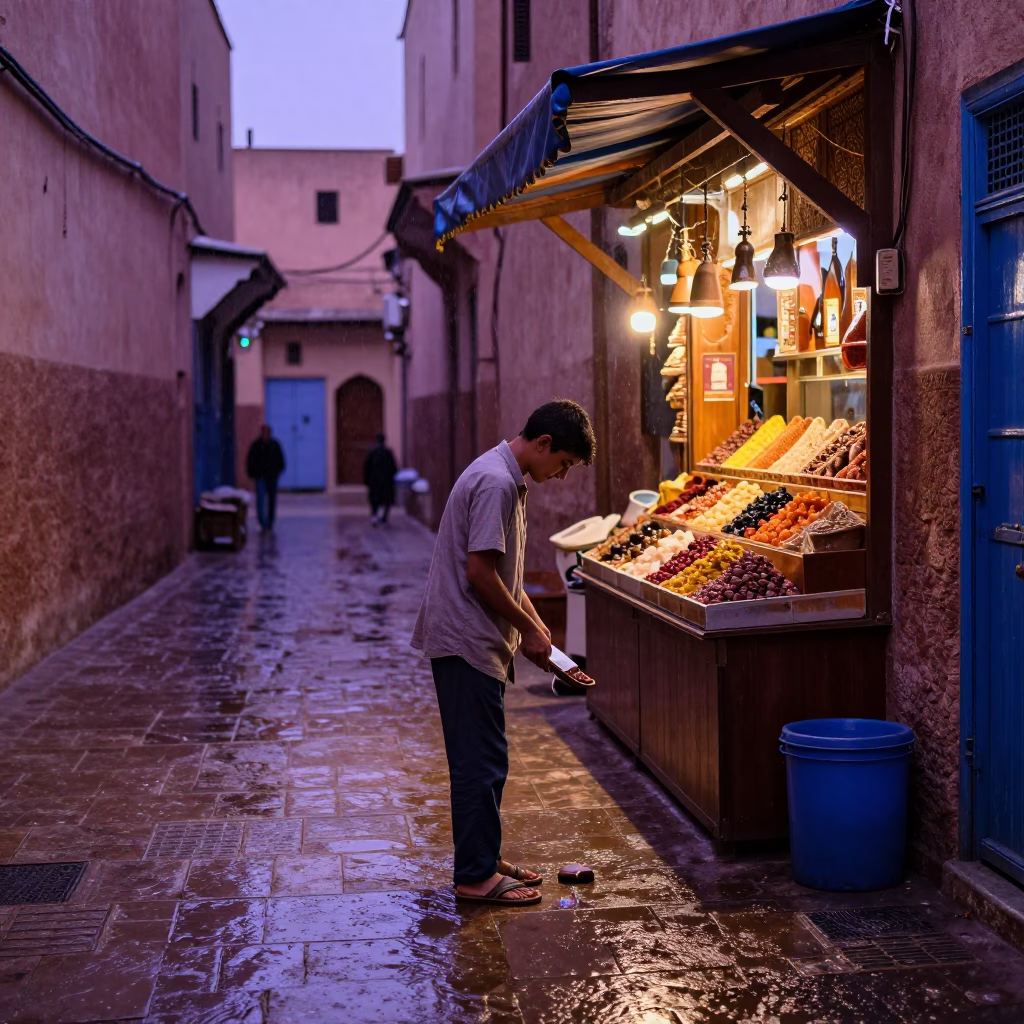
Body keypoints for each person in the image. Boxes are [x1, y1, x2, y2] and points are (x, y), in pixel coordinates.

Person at [411, 399, 596, 906]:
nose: (560, 476)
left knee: (488, 757)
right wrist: (527, 631)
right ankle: (474, 876)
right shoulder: (495, 482)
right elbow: (480, 574)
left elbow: (506, 577)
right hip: (465, 640)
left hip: (476, 639)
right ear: (543, 445)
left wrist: (538, 632)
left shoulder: (506, 477)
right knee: (479, 762)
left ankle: (485, 856)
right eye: (563, 464)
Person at [246, 424, 286, 531]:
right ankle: (262, 521)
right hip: (261, 476)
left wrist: (278, 470)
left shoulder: (274, 445)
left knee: (271, 500)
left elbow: (280, 459)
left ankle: (270, 520)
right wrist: (252, 473)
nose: (265, 435)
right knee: (261, 499)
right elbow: (251, 460)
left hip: (272, 476)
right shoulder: (256, 445)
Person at [363, 433, 398, 525]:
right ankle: (384, 517)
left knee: (375, 499)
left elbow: (366, 468)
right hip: (386, 481)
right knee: (386, 499)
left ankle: (375, 515)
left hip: (375, 481)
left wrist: (367, 480)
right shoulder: (387, 452)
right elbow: (394, 467)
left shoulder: (372, 453)